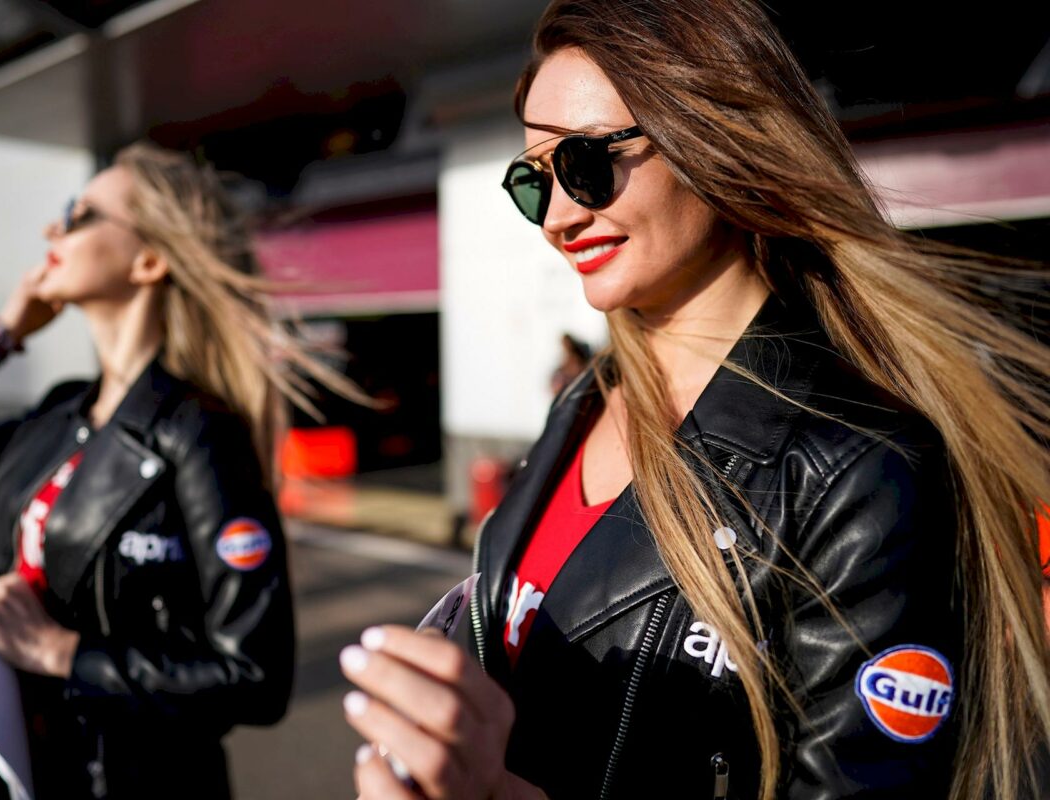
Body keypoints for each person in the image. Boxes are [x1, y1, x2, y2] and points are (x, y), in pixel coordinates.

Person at [339, 1, 1050, 798]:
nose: (560, 218)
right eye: (533, 181)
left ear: (711, 140)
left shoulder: (858, 468)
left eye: (585, 163)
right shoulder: (581, 400)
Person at [0, 142, 341, 798]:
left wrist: (55, 651)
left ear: (149, 259)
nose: (53, 230)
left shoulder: (197, 433)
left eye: (78, 215)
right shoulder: (55, 415)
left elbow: (255, 675)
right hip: (28, 777)